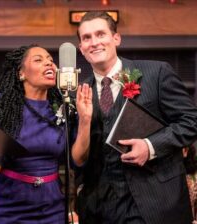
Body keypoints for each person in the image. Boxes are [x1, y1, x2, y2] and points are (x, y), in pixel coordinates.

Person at [74, 11, 197, 224]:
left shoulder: (156, 73)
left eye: (100, 34)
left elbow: (191, 121)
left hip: (155, 202)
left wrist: (150, 146)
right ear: (81, 48)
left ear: (116, 38)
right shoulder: (79, 93)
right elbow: (78, 157)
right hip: (99, 209)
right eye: (86, 38)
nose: (94, 42)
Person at [0, 44, 93, 223]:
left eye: (50, 61)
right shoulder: (1, 105)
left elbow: (78, 159)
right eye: (38, 60)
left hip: (52, 204)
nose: (48, 64)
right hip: (10, 202)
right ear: (21, 73)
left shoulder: (64, 107)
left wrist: (85, 120)